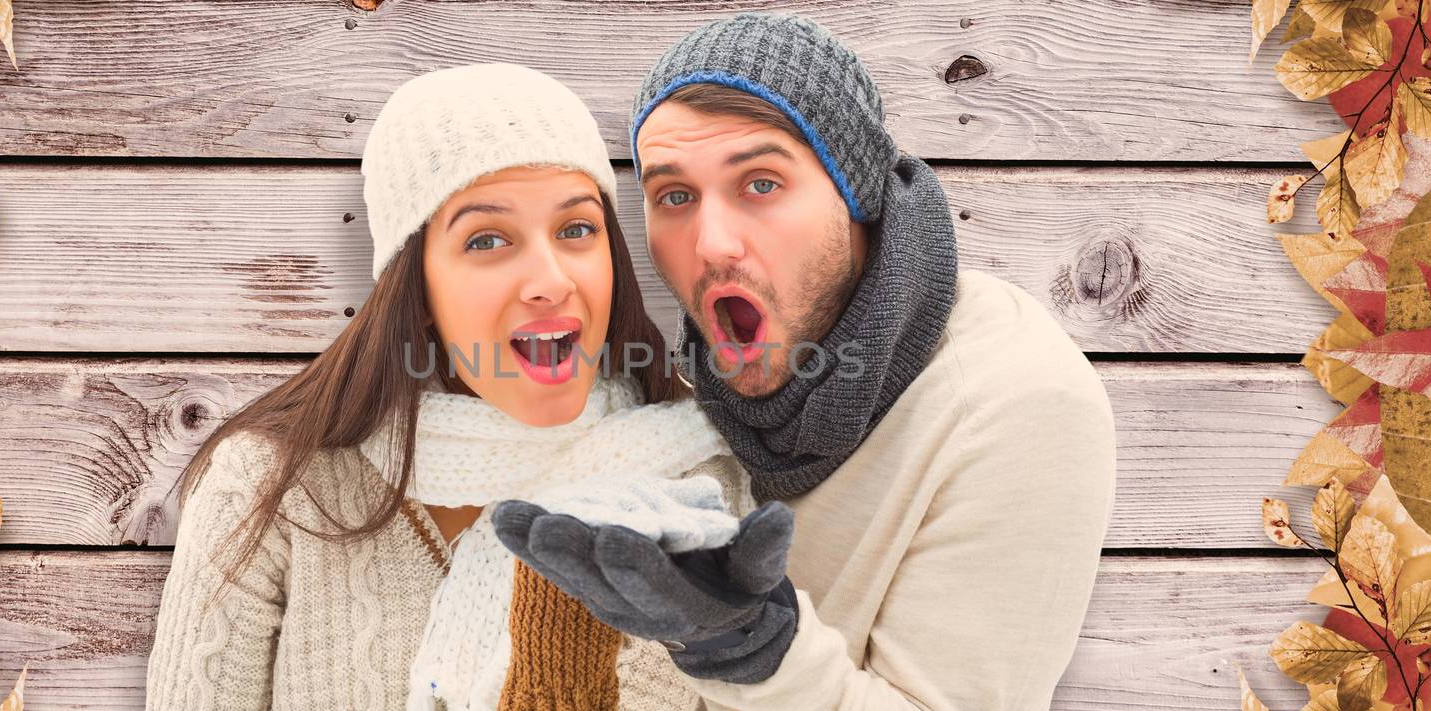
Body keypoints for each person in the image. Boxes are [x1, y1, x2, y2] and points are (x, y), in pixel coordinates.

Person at [494, 12, 1118, 710]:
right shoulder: (684, 390)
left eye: (761, 183)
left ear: (854, 194)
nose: (712, 243)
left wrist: (757, 651)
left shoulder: (1017, 403)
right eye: (675, 195)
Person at [143, 62, 751, 711]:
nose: (549, 278)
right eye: (488, 238)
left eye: (576, 229)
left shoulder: (693, 482)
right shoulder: (272, 484)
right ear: (418, 288)